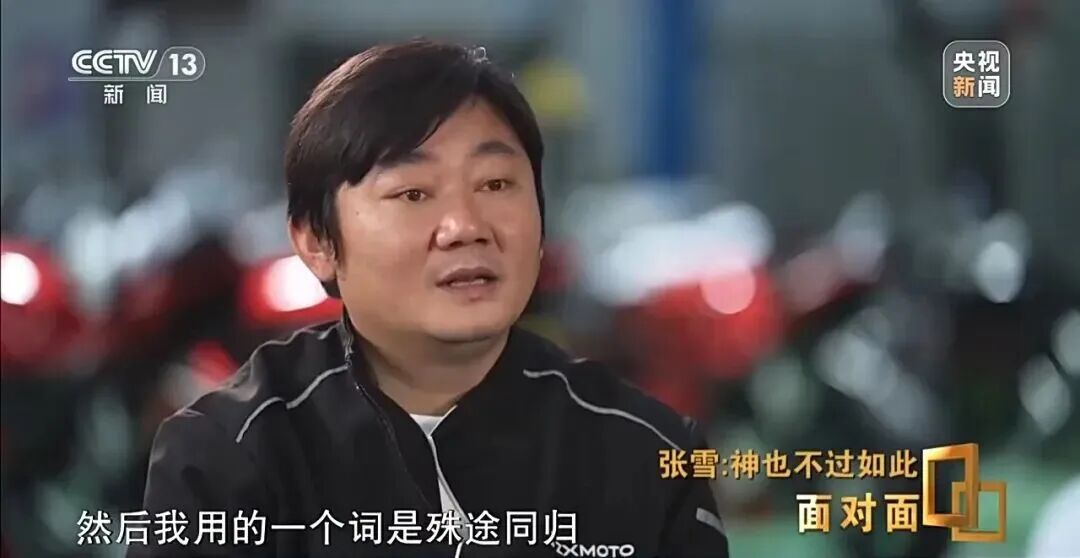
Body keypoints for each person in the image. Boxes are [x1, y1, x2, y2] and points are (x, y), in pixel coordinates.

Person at [133, 39, 730, 558]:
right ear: (317, 241)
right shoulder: (230, 453)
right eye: (413, 193)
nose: (465, 227)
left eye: (496, 184)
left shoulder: (647, 451)